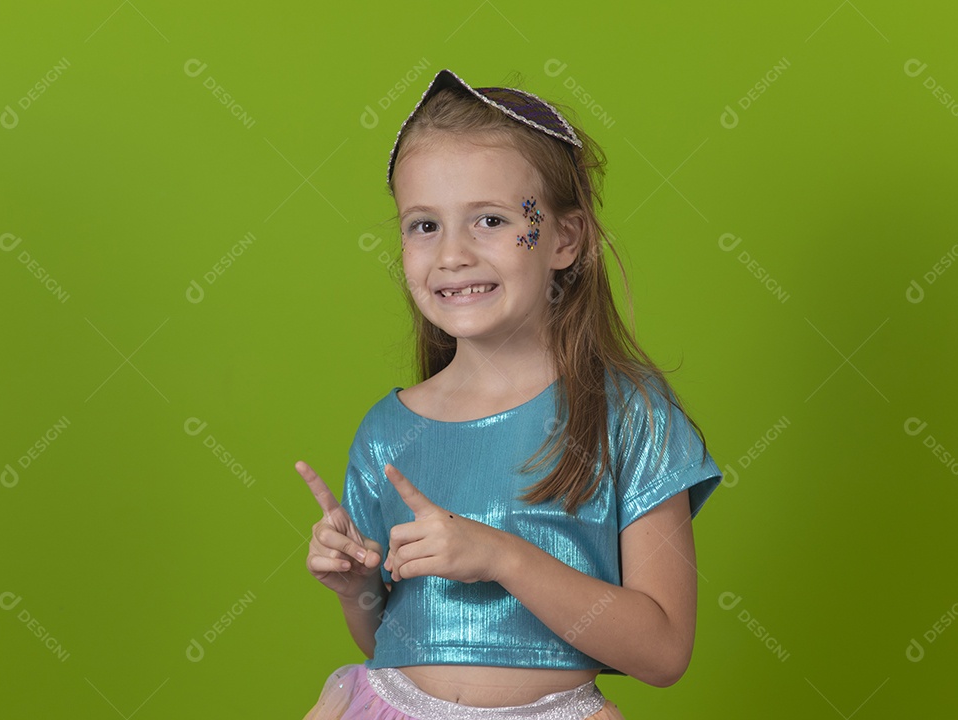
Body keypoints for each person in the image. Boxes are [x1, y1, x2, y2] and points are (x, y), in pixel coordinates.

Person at [296, 68, 723, 720]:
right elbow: (387, 638)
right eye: (423, 225)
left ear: (564, 238)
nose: (452, 255)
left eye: (490, 220)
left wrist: (498, 554)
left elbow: (664, 654)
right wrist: (356, 588)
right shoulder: (388, 432)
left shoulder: (628, 420)